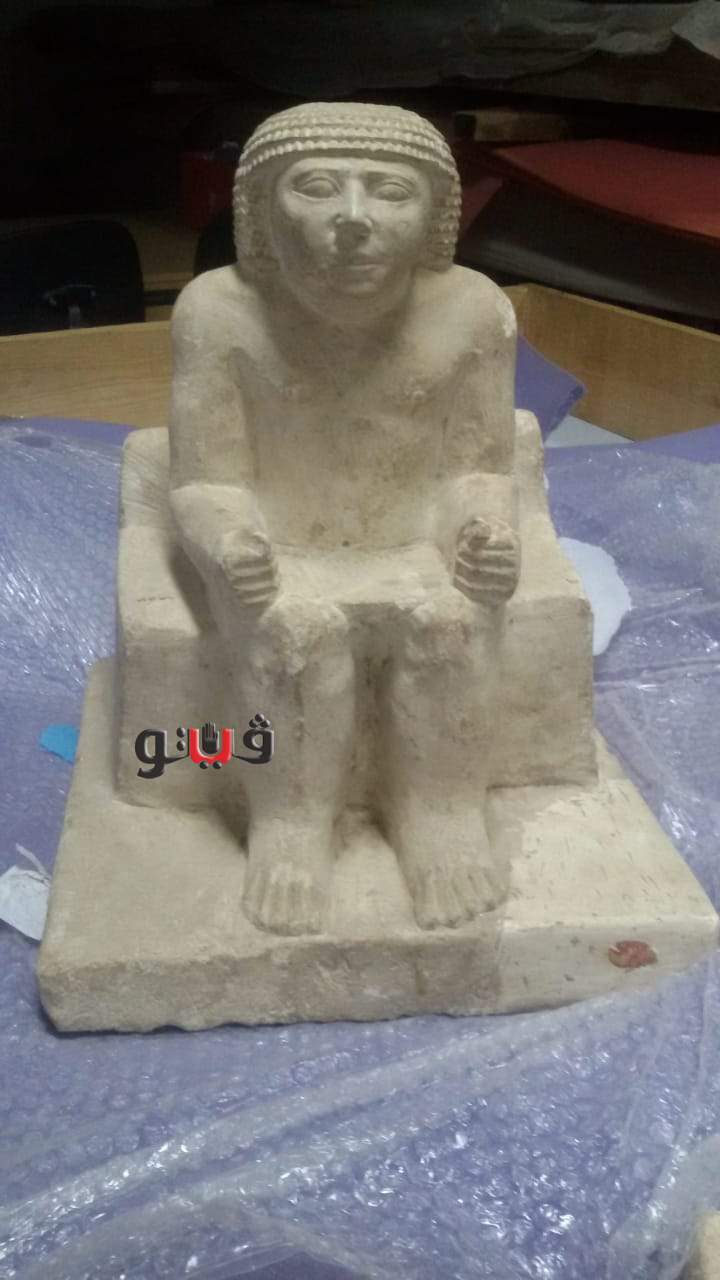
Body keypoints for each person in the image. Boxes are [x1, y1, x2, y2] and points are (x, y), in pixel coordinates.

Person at [169, 103, 520, 936]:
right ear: (261, 210)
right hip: (280, 542)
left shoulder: (473, 311)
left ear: (435, 217)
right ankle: (290, 827)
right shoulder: (218, 311)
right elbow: (204, 480)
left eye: (390, 192)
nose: (354, 219)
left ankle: (440, 816)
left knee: (447, 626)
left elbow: (478, 467)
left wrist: (485, 529)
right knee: (297, 634)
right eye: (319, 188)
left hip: (412, 540)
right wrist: (230, 543)